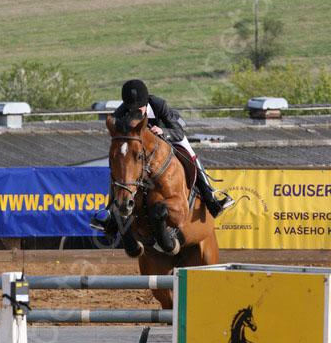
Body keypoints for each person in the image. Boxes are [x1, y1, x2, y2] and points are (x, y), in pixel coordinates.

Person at [91, 79, 234, 233]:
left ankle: (211, 198)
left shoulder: (159, 105)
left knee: (190, 155)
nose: (136, 113)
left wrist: (163, 132)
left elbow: (178, 132)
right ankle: (111, 213)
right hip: (143, 147)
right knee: (120, 167)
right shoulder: (123, 110)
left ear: (146, 102)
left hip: (170, 135)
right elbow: (117, 130)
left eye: (139, 109)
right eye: (132, 110)